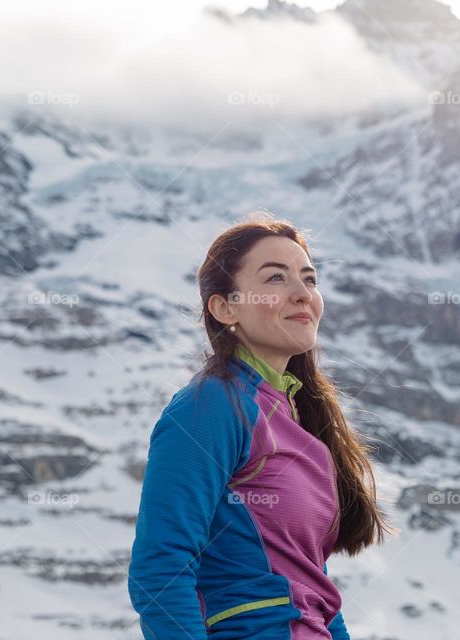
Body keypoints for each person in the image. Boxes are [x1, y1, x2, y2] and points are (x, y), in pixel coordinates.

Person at [128, 213, 396, 639]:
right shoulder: (210, 407)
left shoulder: (297, 418)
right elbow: (160, 567)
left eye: (309, 279)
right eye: (276, 279)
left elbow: (313, 588)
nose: (302, 294)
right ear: (224, 306)